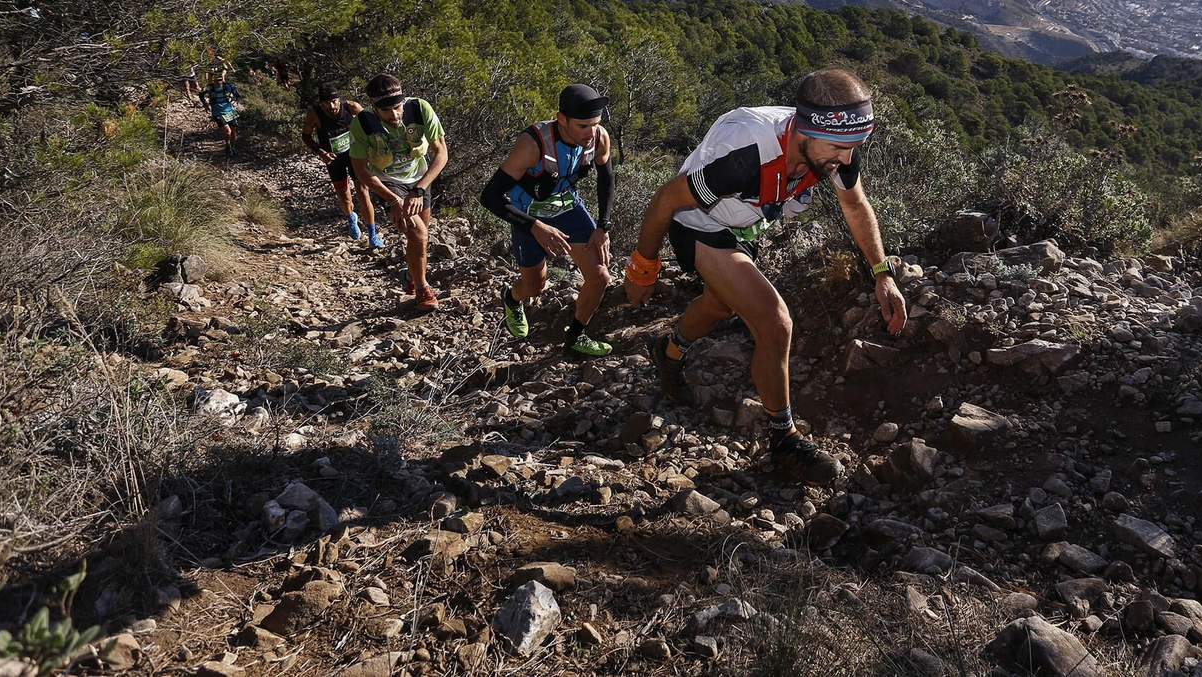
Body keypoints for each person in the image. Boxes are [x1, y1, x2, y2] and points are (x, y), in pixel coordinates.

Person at [624, 69, 907, 486]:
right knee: (775, 323)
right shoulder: (745, 154)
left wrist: (883, 273)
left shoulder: (835, 144)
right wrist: (643, 267)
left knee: (721, 303)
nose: (846, 160)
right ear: (805, 130)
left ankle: (668, 351)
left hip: (743, 224)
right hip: (699, 223)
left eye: (855, 148)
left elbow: (855, 205)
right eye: (838, 148)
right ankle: (784, 438)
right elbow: (667, 198)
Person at [478, 84, 616, 358]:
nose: (590, 134)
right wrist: (534, 226)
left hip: (568, 208)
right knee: (534, 286)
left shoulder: (599, 137)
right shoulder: (533, 144)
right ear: (561, 118)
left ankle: (576, 336)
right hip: (529, 214)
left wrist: (603, 225)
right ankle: (512, 299)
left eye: (595, 124)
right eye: (582, 126)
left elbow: (607, 178)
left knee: (600, 277)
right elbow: (489, 197)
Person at [350, 73, 448, 312]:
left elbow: (441, 153)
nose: (393, 115)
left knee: (418, 236)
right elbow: (360, 168)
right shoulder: (362, 123)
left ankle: (412, 276)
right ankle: (423, 289)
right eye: (386, 111)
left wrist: (419, 188)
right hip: (388, 182)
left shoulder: (420, 109)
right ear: (373, 106)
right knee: (420, 235)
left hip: (419, 179)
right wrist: (392, 199)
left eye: (397, 108)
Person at [302, 83, 382, 247]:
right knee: (344, 197)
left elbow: (370, 127)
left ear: (339, 99)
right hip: (333, 159)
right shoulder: (314, 114)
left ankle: (372, 235)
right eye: (326, 103)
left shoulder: (352, 107)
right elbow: (306, 137)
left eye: (334, 101)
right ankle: (351, 216)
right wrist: (320, 152)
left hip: (355, 156)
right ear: (321, 103)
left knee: (363, 193)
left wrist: (370, 147)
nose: (331, 106)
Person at [201, 67, 243, 157]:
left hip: (230, 111)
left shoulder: (228, 86)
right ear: (213, 81)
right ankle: (227, 146)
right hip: (217, 112)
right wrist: (205, 104)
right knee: (227, 130)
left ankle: (233, 148)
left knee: (234, 131)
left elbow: (238, 95)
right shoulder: (209, 88)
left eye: (220, 80)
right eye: (217, 80)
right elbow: (201, 94)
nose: (219, 82)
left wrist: (236, 102)